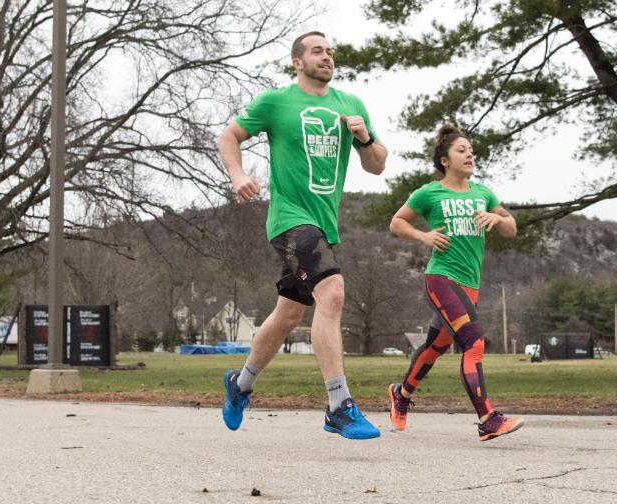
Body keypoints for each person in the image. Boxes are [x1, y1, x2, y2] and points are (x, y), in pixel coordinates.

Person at [216, 31, 388, 440]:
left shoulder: (351, 105)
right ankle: (338, 405)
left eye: (330, 50)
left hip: (324, 225)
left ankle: (239, 385)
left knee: (289, 314)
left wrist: (364, 137)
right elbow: (229, 136)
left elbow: (377, 165)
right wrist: (238, 175)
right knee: (333, 292)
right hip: (290, 220)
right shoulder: (276, 102)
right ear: (297, 62)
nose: (326, 56)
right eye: (317, 51)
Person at [387, 124, 523, 441]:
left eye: (471, 150)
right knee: (474, 343)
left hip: (470, 284)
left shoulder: (483, 193)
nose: (469, 154)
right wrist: (424, 236)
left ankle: (401, 394)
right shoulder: (429, 193)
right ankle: (488, 419)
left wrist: (499, 219)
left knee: (437, 346)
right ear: (444, 159)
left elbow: (512, 228)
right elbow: (397, 222)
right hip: (441, 277)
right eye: (461, 150)